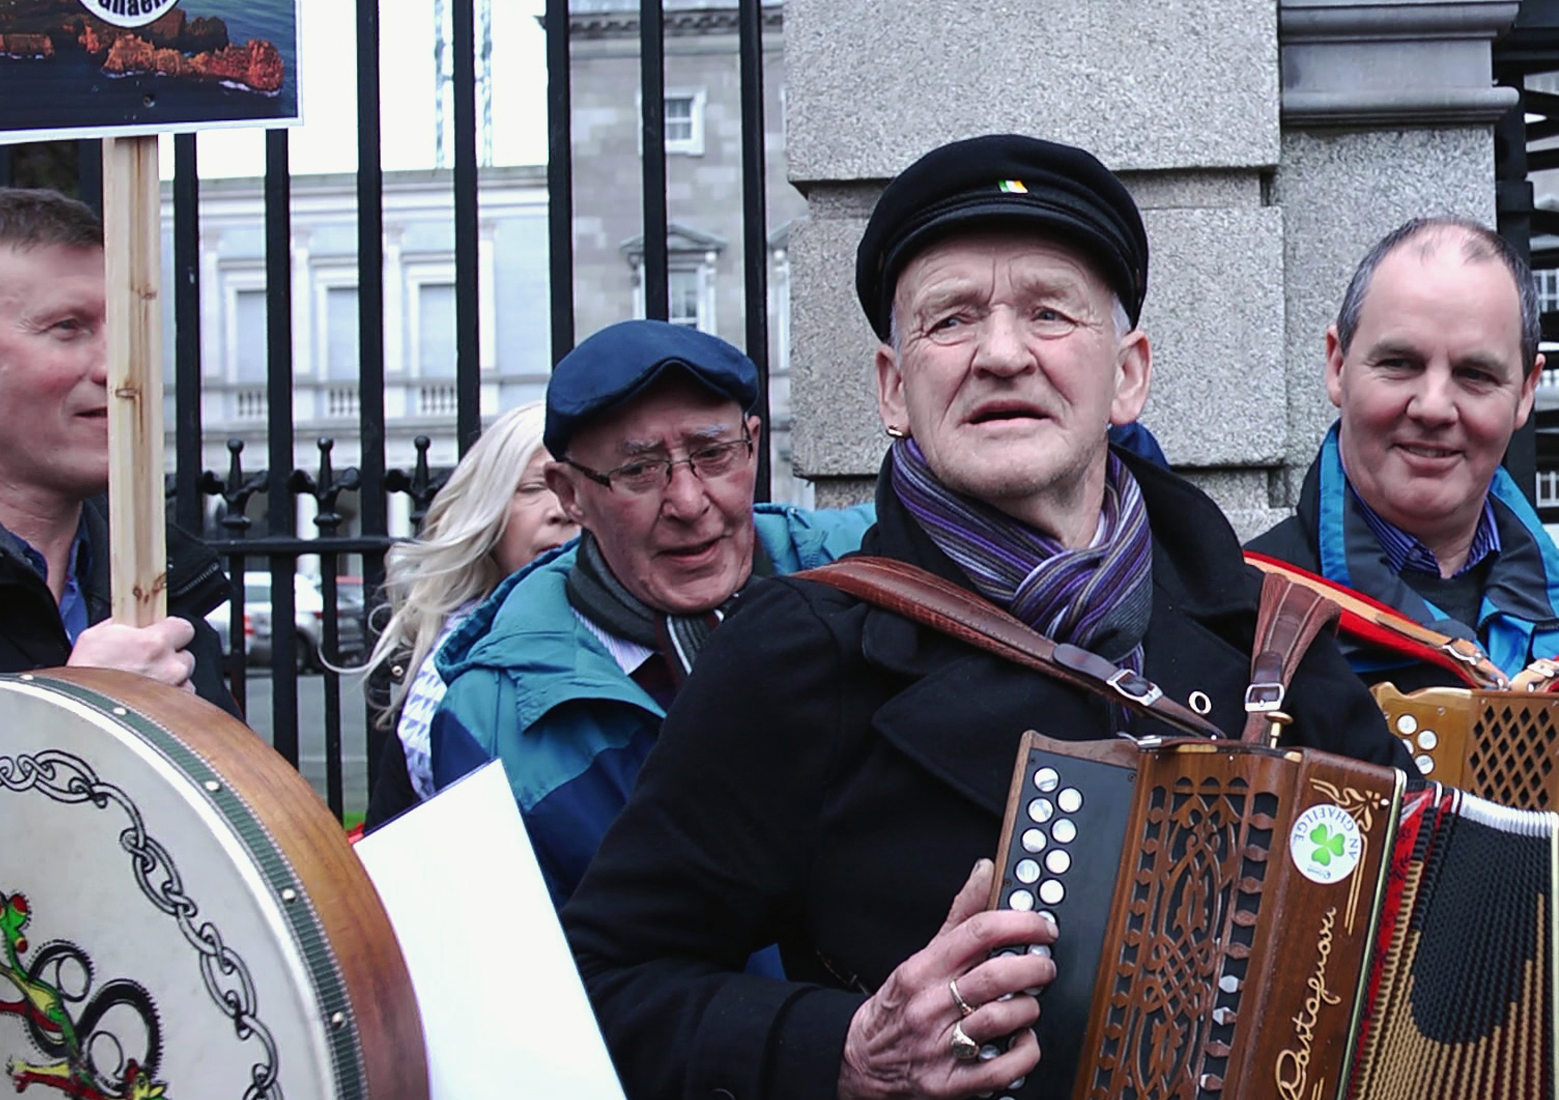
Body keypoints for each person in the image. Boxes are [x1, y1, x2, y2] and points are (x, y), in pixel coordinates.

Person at [561, 134, 1414, 1100]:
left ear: (1127, 373)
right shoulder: (800, 652)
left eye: (1050, 313)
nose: (1002, 353)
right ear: (894, 387)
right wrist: (842, 1050)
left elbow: (1421, 908)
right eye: (950, 319)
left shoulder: (1271, 632)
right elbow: (604, 985)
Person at [427, 319, 875, 909]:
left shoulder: (874, 563)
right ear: (569, 494)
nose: (688, 503)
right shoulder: (490, 721)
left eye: (714, 454)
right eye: (638, 470)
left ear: (755, 444)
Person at [1247, 216, 1559, 691]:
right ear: (1337, 365)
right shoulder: (1239, 615)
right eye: (1399, 364)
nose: (1433, 407)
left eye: (1475, 374)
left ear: (1525, 393)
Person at [0, 187, 233, 712]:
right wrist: (82, 711)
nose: (121, 367)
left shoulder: (163, 584)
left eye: (128, 328)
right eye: (68, 327)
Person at [361, 400, 578, 829]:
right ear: (490, 515)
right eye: (534, 488)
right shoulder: (438, 675)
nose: (560, 509)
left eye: (574, 487)